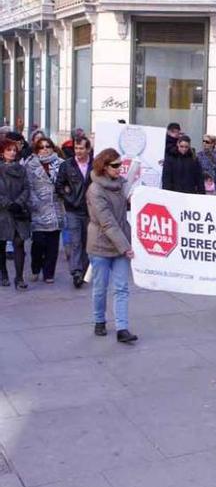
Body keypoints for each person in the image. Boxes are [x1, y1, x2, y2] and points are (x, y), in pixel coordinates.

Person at [86, 148, 138, 343]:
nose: (120, 169)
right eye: (115, 166)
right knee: (100, 287)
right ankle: (99, 320)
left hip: (121, 243)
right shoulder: (95, 190)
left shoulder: (121, 183)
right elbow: (107, 222)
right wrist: (126, 247)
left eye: (121, 165)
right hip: (100, 244)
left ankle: (122, 328)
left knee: (122, 287)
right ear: (104, 166)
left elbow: (132, 200)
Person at [24, 137, 66, 284]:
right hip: (38, 208)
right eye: (41, 147)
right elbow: (27, 185)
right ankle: (35, 268)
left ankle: (49, 273)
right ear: (37, 150)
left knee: (53, 244)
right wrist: (33, 202)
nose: (45, 149)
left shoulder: (61, 164)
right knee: (38, 243)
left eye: (48, 146)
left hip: (55, 208)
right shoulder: (30, 165)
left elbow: (66, 183)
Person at [55, 136, 93, 288]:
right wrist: (68, 198)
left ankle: (83, 270)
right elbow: (58, 185)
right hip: (73, 209)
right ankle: (76, 272)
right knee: (76, 241)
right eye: (76, 148)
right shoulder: (67, 165)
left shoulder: (95, 164)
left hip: (90, 210)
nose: (78, 151)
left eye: (81, 148)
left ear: (88, 149)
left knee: (86, 242)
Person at [0, 139, 31, 289]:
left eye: (14, 150)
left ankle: (19, 277)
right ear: (2, 153)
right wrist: (7, 203)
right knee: (1, 244)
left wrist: (18, 203)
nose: (12, 153)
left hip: (19, 212)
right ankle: (3, 273)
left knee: (19, 243)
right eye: (8, 150)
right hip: (3, 213)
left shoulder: (22, 169)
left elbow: (27, 188)